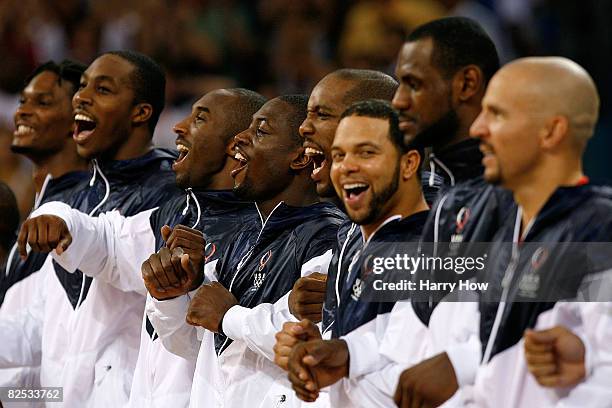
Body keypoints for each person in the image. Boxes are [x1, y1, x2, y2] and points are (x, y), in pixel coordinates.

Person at [21, 88, 266, 407]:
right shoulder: (177, 212)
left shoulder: (260, 232)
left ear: (238, 144)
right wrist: (57, 215)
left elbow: (226, 346)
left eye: (200, 118)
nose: (179, 126)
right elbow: (108, 240)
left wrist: (194, 293)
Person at [0, 50, 180, 407]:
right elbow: (35, 337)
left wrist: (64, 221)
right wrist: (12, 396)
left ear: (140, 113)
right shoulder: (72, 202)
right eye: (83, 87)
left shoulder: (173, 194)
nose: (82, 97)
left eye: (103, 89)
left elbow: (110, 248)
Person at [146, 95, 346, 407]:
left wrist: (229, 316)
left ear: (300, 158)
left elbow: (313, 344)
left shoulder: (327, 235)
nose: (239, 139)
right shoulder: (241, 234)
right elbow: (193, 346)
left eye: (261, 132)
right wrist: (172, 296)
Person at [467, 56, 612, 407]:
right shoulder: (505, 232)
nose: (477, 129)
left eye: (497, 114)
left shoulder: (599, 228)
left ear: (551, 131)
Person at [280, 99, 429, 407]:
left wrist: (346, 357)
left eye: (366, 153)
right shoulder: (358, 245)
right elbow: (388, 352)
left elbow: (430, 377)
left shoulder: (433, 249)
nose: (346, 166)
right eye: (338, 155)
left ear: (409, 163)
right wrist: (325, 352)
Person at [2, 60, 89, 310]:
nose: (23, 112)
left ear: (78, 121)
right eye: (22, 101)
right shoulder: (48, 200)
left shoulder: (80, 211)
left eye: (42, 103)